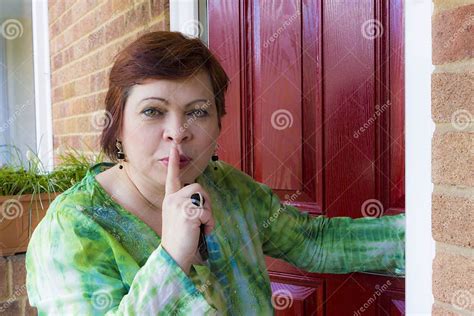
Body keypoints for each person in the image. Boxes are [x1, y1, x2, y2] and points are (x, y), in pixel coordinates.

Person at [26, 31, 405, 315]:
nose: (179, 130)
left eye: (198, 111)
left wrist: (439, 233)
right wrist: (173, 255)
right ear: (117, 126)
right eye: (153, 111)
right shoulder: (72, 229)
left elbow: (315, 243)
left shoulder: (227, 188)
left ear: (218, 125)